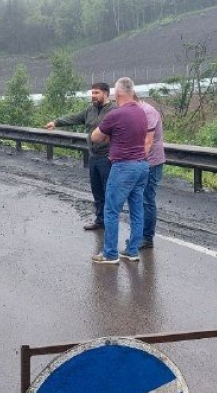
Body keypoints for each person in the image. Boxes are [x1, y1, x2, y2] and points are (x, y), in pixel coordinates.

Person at [89, 77, 149, 264]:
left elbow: (95, 137)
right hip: (142, 166)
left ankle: (110, 254)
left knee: (111, 210)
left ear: (117, 94)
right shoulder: (141, 112)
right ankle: (132, 251)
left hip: (123, 166)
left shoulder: (116, 114)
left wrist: (110, 136)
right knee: (137, 210)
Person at [44, 82, 116, 231]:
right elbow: (75, 118)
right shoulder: (90, 109)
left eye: (96, 93)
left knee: (109, 192)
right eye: (92, 93)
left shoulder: (114, 110)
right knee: (97, 191)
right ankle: (100, 220)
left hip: (108, 158)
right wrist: (56, 122)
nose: (93, 95)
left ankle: (110, 224)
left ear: (106, 93)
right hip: (94, 156)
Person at [134, 93, 166, 249]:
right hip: (140, 161)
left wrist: (137, 161)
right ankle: (139, 235)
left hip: (151, 162)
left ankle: (147, 238)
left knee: (147, 199)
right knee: (138, 199)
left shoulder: (148, 112)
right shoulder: (136, 111)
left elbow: (147, 141)